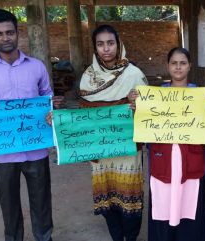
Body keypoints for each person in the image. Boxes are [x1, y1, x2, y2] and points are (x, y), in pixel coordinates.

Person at [0, 9, 57, 241]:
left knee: (41, 199)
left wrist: (51, 112)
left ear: (18, 33)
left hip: (36, 148)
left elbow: (47, 97)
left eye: (9, 32)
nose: (5, 38)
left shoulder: (37, 66)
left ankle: (44, 236)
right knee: (8, 203)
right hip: (3, 151)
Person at [128, 47, 205, 241]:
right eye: (174, 63)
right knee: (163, 209)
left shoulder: (199, 95)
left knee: (190, 210)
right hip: (163, 161)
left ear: (190, 66)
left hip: (190, 161)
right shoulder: (155, 96)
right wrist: (137, 107)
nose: (178, 67)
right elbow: (143, 127)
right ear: (168, 66)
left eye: (183, 63)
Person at [78, 24, 147, 241]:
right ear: (95, 48)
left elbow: (151, 113)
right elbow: (83, 116)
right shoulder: (88, 77)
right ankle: (117, 238)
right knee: (108, 199)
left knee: (130, 199)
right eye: (100, 44)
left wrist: (138, 105)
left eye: (110, 43)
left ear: (118, 45)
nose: (106, 49)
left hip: (127, 149)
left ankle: (131, 238)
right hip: (101, 150)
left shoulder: (134, 74)